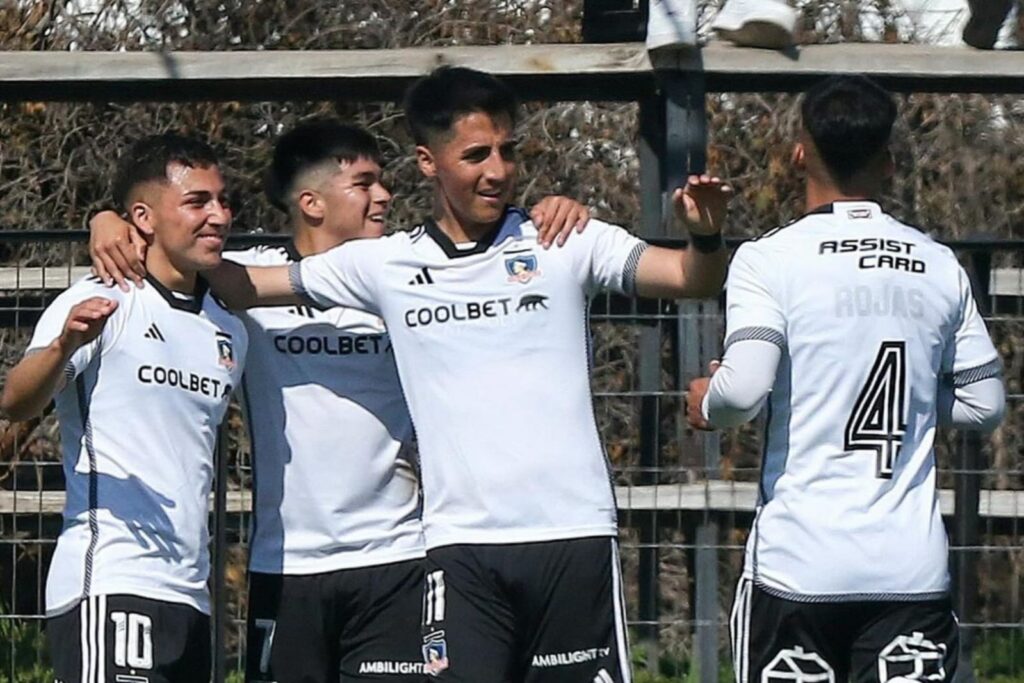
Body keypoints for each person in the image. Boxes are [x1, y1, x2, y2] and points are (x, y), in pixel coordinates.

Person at [207, 66, 731, 682]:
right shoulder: (387, 264)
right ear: (429, 162)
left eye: (508, 151)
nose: (498, 171)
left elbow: (693, 278)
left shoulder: (564, 241)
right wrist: (125, 228)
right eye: (476, 154)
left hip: (572, 537)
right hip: (458, 553)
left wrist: (705, 232)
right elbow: (241, 284)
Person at [86, 120, 592, 682]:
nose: (385, 196)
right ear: (311, 202)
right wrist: (104, 218)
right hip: (287, 565)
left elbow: (490, 263)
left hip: (395, 559)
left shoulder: (401, 278)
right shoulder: (241, 281)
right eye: (364, 183)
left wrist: (554, 208)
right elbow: (168, 247)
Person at [685, 75, 1006, 683]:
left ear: (799, 153)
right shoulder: (938, 263)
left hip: (798, 570)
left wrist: (711, 400)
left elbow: (744, 392)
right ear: (888, 161)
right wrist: (914, 400)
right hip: (909, 572)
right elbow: (985, 402)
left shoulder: (769, 258)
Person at [1, 133, 248, 683]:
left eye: (224, 200)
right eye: (197, 201)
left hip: (190, 596)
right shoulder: (103, 300)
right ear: (143, 216)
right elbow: (17, 400)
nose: (218, 215)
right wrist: (64, 345)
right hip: (110, 581)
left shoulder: (228, 326)